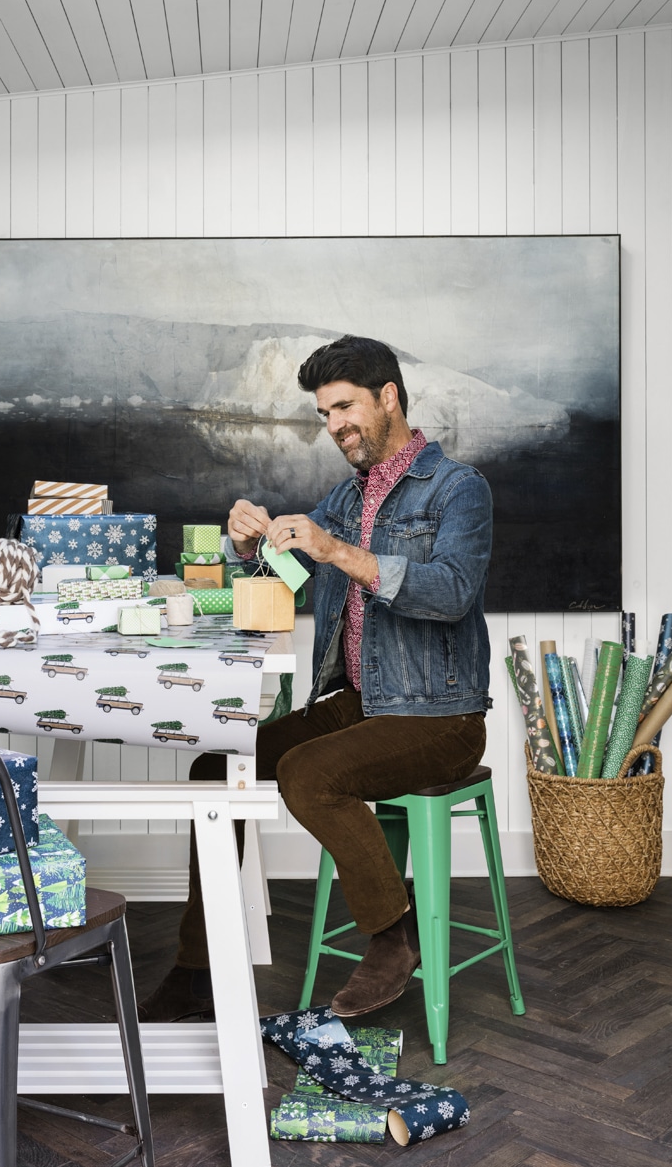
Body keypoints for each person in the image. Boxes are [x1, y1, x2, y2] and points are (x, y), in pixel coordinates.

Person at [138, 334, 493, 1023]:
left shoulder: (459, 489)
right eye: (326, 413)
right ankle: (196, 968)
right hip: (361, 705)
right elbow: (287, 584)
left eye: (344, 406)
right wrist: (252, 549)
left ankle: (394, 939)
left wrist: (339, 550)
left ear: (389, 397)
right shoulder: (344, 498)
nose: (334, 426)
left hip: (441, 716)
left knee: (307, 772)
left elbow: (450, 592)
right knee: (218, 766)